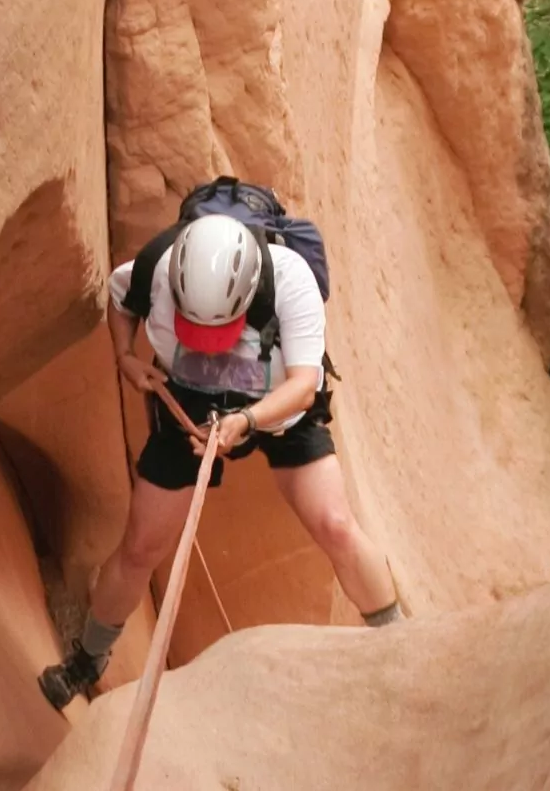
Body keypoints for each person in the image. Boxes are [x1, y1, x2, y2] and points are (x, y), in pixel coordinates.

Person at [36, 209, 403, 709]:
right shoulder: (159, 271)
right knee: (141, 546)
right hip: (190, 408)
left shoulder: (290, 280)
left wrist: (247, 421)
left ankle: (399, 645)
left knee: (336, 524)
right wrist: (125, 357)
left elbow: (302, 385)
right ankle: (87, 660)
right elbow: (122, 297)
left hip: (278, 415)